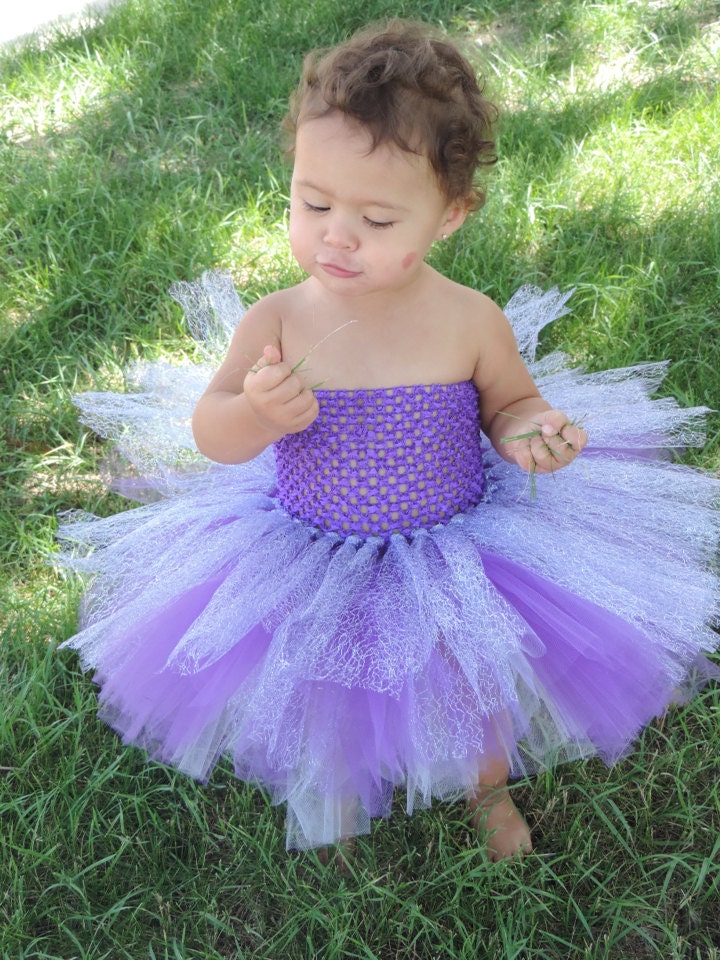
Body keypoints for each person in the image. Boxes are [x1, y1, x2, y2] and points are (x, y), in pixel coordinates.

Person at [58, 20, 719, 865]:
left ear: (451, 214)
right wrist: (256, 412)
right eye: (312, 202)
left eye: (375, 217)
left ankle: (488, 787)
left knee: (471, 676)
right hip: (309, 545)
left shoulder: (468, 320)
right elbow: (213, 435)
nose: (336, 234)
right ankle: (333, 784)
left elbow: (510, 402)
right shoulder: (280, 321)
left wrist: (529, 434)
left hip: (453, 544)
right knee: (328, 678)